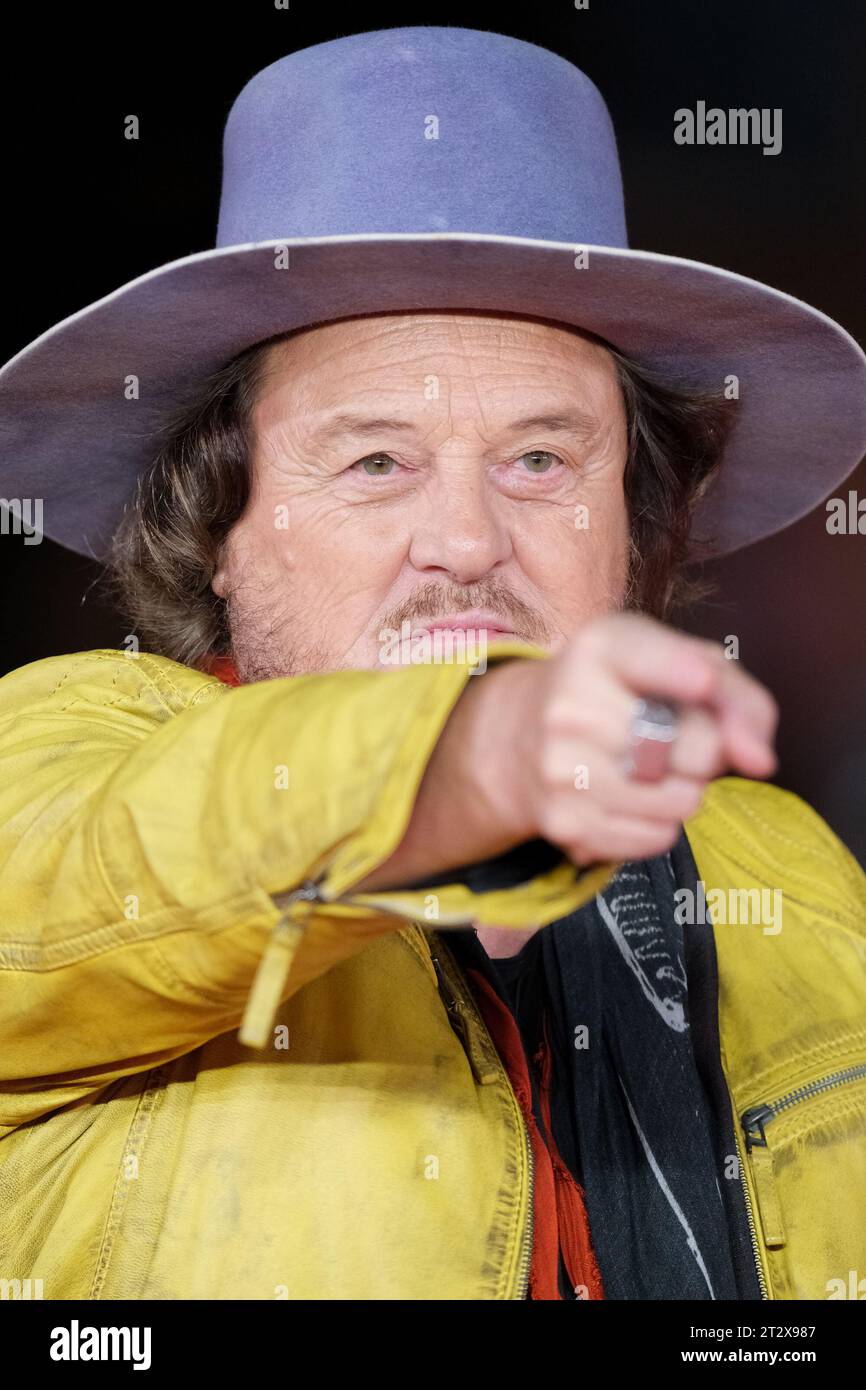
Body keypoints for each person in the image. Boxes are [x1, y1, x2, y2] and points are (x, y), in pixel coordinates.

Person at [0, 26, 864, 1302]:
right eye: (374, 462)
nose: (464, 543)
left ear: (628, 526)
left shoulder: (786, 867)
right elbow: (115, 855)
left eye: (537, 461)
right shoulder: (59, 751)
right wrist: (461, 756)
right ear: (218, 531)